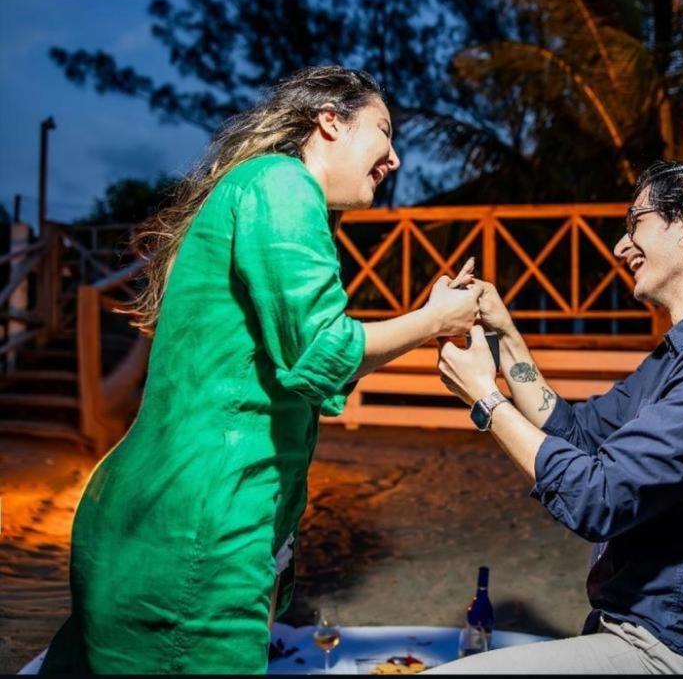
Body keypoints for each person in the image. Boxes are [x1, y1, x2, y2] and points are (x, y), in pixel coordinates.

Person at [39, 66, 483, 674]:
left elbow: (305, 372)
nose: (395, 158)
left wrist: (424, 318)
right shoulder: (283, 183)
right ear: (331, 120)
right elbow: (322, 351)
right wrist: (434, 320)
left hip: (161, 519)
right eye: (383, 131)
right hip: (202, 525)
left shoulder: (257, 187)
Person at [433, 161, 683, 674]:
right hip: (630, 631)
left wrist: (484, 400)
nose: (620, 246)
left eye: (636, 222)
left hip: (675, 654)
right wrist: (504, 335)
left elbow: (599, 497)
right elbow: (577, 434)